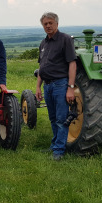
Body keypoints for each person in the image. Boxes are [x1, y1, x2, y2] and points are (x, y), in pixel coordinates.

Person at [36, 12, 76, 161]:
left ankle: (59, 150)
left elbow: (72, 63)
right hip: (47, 86)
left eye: (50, 23)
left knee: (61, 119)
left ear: (57, 24)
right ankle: (54, 145)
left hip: (60, 84)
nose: (48, 26)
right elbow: (42, 67)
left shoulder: (65, 39)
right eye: (45, 24)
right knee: (53, 118)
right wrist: (38, 87)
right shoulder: (43, 43)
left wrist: (70, 87)